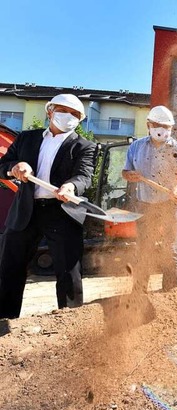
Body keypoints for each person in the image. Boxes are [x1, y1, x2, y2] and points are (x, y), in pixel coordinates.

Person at [0, 94, 96, 318]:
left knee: (68, 272)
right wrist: (15, 167)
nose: (69, 117)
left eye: (75, 115)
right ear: (50, 111)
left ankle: (69, 322)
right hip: (26, 211)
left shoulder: (84, 146)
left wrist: (71, 187)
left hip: (61, 213)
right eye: (64, 111)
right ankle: (4, 318)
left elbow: (84, 175)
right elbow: (2, 166)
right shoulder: (26, 139)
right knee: (10, 268)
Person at [122, 105, 177, 293]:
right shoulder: (136, 147)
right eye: (158, 125)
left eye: (166, 127)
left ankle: (169, 293)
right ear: (148, 125)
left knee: (171, 249)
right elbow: (125, 171)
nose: (162, 130)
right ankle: (139, 292)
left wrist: (176, 187)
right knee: (144, 248)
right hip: (146, 203)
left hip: (173, 203)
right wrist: (130, 175)